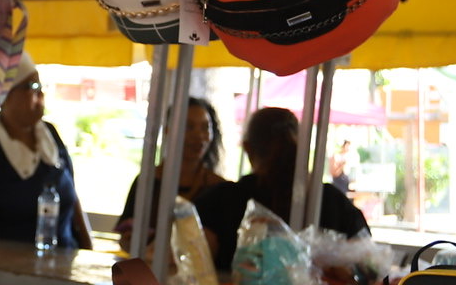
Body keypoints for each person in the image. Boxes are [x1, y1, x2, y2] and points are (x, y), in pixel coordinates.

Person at [0, 58, 92, 249]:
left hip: (63, 261)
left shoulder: (50, 135)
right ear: (5, 95)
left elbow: (73, 197)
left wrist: (88, 247)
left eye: (41, 86)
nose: (41, 93)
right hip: (8, 269)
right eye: (33, 86)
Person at [204, 107, 370, 268]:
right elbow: (368, 262)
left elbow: (197, 262)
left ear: (247, 147)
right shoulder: (331, 201)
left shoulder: (223, 200)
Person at [113, 97, 229, 254]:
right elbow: (125, 232)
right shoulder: (147, 181)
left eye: (205, 127)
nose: (199, 136)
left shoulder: (219, 188)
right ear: (168, 130)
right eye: (189, 127)